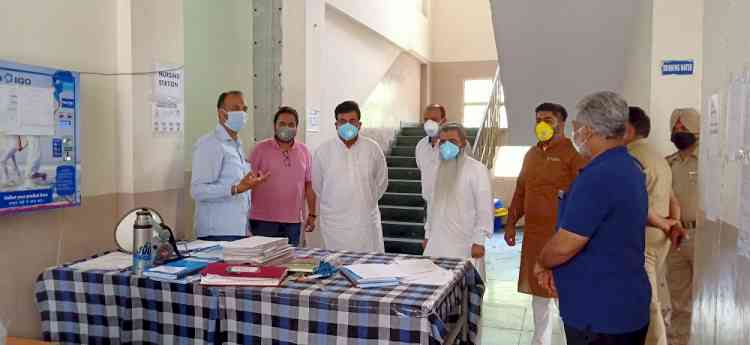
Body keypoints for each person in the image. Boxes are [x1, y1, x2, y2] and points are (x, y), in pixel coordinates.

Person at [536, 91, 651, 345]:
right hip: (624, 307)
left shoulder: (599, 176)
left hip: (600, 315)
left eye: (576, 128)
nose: (575, 134)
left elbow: (565, 245)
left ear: (588, 131)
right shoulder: (628, 167)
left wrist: (543, 262)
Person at [504, 102, 587, 345]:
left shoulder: (574, 156)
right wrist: (510, 223)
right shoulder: (531, 154)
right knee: (539, 296)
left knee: (566, 296)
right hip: (534, 237)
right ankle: (540, 342)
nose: (542, 124)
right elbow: (520, 191)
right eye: (538, 119)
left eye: (548, 120)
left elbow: (584, 198)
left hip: (563, 239)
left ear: (562, 124)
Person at [625, 107, 686, 345]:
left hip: (643, 238)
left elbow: (638, 204)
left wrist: (663, 223)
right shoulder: (658, 157)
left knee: (648, 302)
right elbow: (673, 199)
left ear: (628, 130)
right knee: (649, 295)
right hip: (660, 239)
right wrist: (674, 225)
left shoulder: (630, 158)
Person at [191, 91, 269, 241]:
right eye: (236, 108)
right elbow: (197, 191)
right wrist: (235, 189)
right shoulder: (210, 144)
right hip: (216, 232)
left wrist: (251, 183)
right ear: (222, 114)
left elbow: (239, 185)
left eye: (244, 109)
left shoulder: (236, 144)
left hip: (238, 229)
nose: (242, 113)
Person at [312, 101, 388, 252]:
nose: (347, 125)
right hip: (334, 224)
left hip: (364, 221)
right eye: (343, 121)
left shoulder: (372, 149)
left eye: (352, 121)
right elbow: (318, 186)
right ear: (336, 125)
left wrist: (365, 202)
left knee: (369, 268)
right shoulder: (323, 151)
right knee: (335, 267)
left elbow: (381, 182)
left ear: (359, 124)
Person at [423, 122, 493, 279]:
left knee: (464, 293)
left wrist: (479, 241)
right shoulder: (436, 169)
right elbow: (431, 204)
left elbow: (484, 208)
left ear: (463, 143)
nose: (446, 145)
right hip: (437, 242)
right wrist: (427, 234)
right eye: (442, 141)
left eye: (452, 141)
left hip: (465, 244)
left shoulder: (477, 169)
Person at [248, 106, 316, 246]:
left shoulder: (304, 151)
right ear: (275, 126)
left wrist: (312, 214)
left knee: (289, 263)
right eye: (282, 124)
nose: (286, 128)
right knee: (263, 264)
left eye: (291, 125)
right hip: (263, 221)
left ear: (297, 128)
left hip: (293, 222)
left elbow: (309, 185)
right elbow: (247, 183)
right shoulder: (259, 149)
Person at [664, 108, 701, 345]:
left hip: (704, 236)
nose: (679, 133)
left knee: (707, 298)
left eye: (683, 128)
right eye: (675, 129)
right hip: (676, 237)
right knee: (679, 299)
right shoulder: (668, 163)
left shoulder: (710, 160)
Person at [415, 104, 448, 207]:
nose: (429, 123)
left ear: (444, 121)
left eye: (434, 119)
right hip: (428, 204)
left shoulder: (455, 146)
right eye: (426, 119)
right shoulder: (420, 146)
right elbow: (422, 168)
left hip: (451, 205)